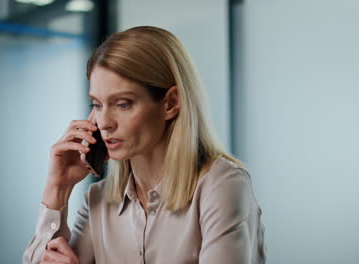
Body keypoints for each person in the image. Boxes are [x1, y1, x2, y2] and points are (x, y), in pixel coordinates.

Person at [23, 26, 266, 264]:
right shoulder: (99, 200)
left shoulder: (221, 186)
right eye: (96, 105)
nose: (104, 122)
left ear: (170, 103)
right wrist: (58, 188)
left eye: (123, 104)